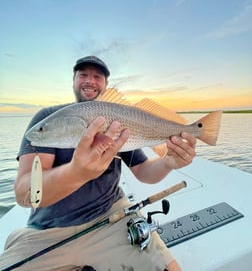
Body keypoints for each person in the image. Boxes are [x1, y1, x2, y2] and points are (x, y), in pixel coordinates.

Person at [0, 55, 196, 271]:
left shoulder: (118, 119)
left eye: (97, 76)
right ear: (73, 80)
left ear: (106, 85)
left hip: (113, 216)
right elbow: (23, 193)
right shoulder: (48, 117)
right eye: (83, 74)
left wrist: (168, 162)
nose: (90, 80)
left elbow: (143, 172)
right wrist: (76, 173)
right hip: (47, 231)